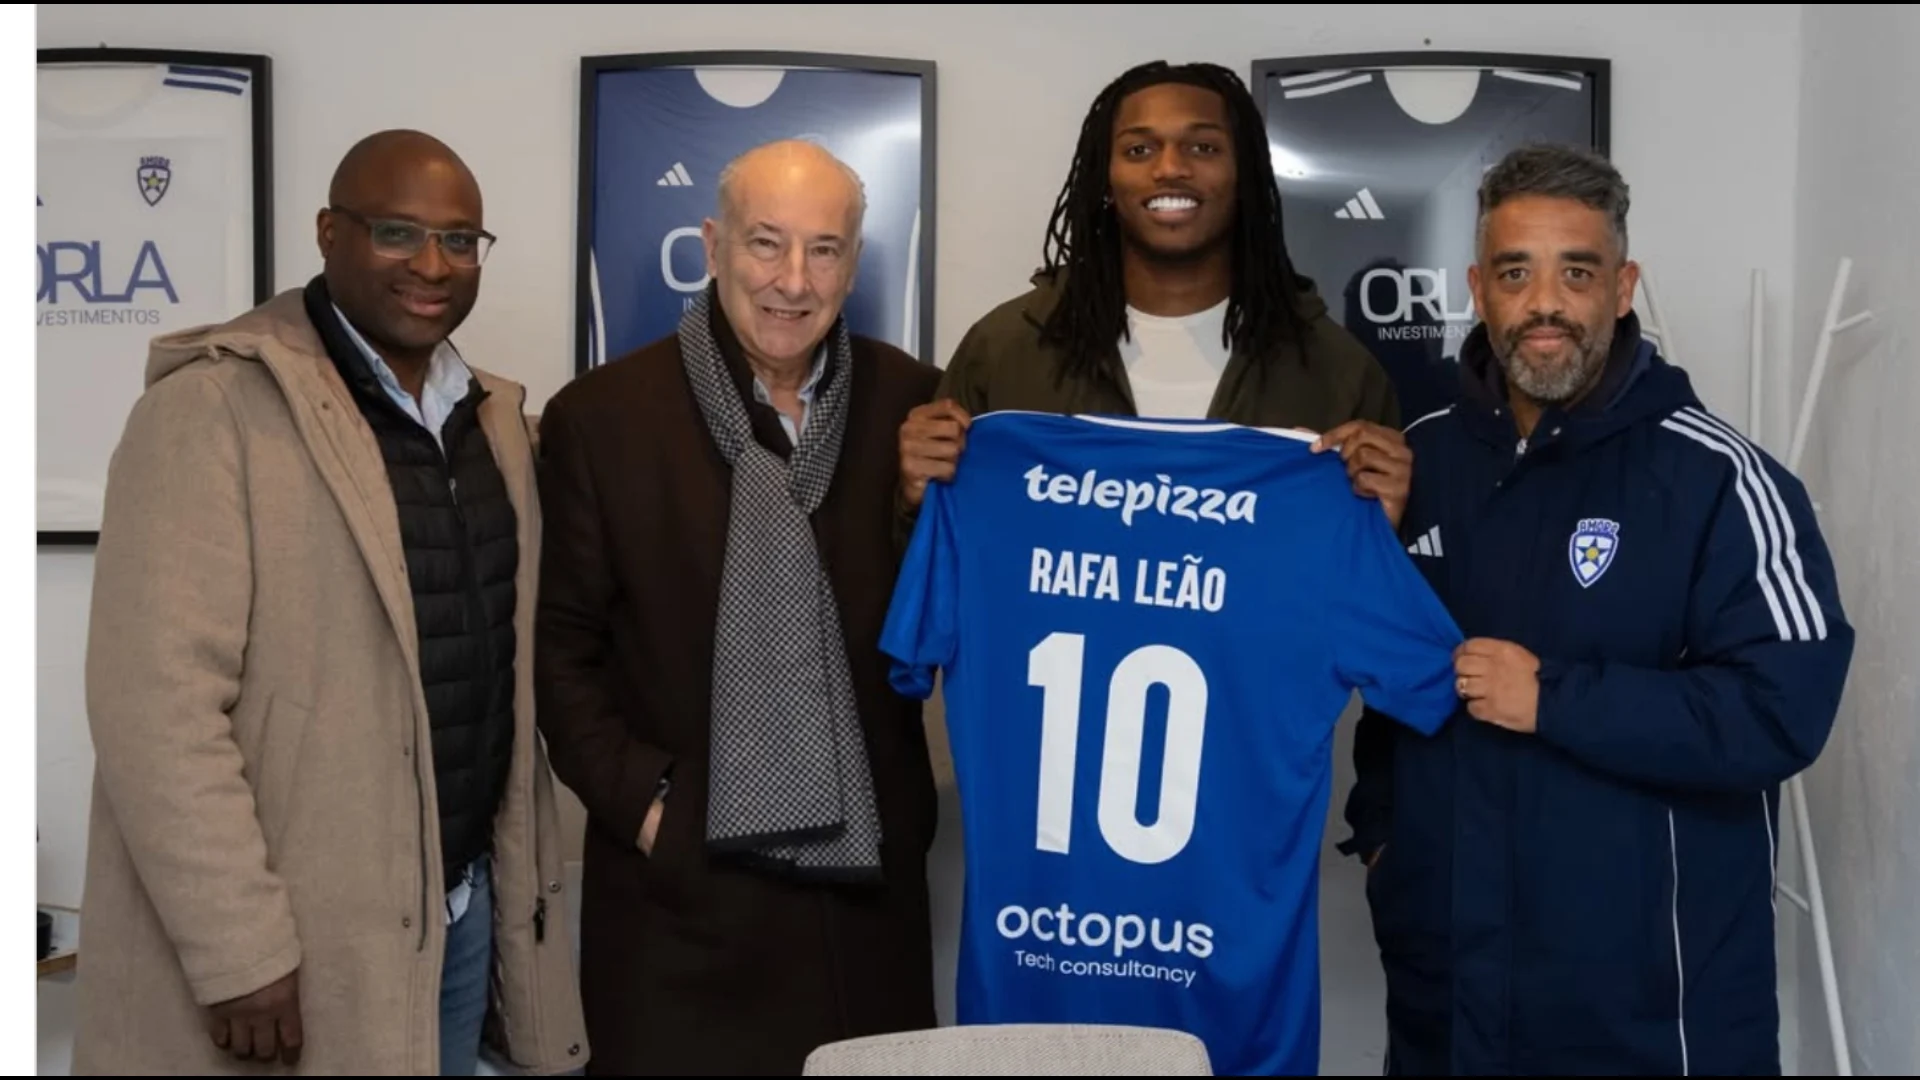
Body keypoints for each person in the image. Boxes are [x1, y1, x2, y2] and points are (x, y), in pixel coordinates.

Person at [72, 129, 590, 1076]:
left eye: (460, 240)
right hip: (294, 942)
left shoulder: (490, 425)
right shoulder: (210, 413)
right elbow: (155, 711)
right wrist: (239, 950)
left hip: (457, 915)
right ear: (328, 233)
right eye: (398, 233)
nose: (432, 265)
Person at [1345, 142, 1855, 1075]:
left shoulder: (1720, 480)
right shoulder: (1422, 464)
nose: (1545, 303)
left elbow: (1781, 711)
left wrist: (1555, 699)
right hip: (1448, 1003)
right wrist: (1384, 840)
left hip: (1649, 1021)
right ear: (1477, 290)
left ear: (1622, 288)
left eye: (1576, 272)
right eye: (1515, 273)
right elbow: (1385, 689)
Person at [533, 138, 944, 1076]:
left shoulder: (913, 407)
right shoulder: (601, 418)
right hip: (685, 903)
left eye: (824, 250)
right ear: (712, 247)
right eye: (766, 243)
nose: (793, 280)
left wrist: (920, 512)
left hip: (866, 905)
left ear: (853, 263)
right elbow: (561, 657)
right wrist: (654, 813)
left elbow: (943, 621)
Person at [897, 59, 1412, 537]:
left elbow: (1365, 586)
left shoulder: (1336, 369)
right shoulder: (1005, 350)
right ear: (1105, 178)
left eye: (1203, 147)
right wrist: (916, 498)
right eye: (1139, 150)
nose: (1170, 168)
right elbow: (941, 570)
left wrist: (1383, 527)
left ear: (1245, 176)